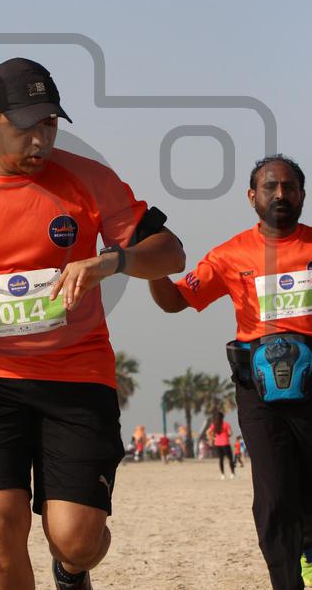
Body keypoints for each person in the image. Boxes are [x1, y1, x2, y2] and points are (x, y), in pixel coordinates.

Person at [0, 57, 185, 590]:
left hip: (78, 374)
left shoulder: (90, 179)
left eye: (50, 123)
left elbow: (171, 252)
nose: (41, 140)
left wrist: (113, 261)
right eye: (25, 126)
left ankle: (71, 570)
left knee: (77, 540)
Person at [149, 155, 312, 590]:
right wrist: (152, 266)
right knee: (274, 497)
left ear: (302, 194)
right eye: (270, 187)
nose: (280, 194)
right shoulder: (229, 255)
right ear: (252, 196)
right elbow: (176, 301)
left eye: (289, 186)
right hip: (260, 397)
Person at [206, 410, 235, 479]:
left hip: (217, 444)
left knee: (221, 459)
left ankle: (222, 475)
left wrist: (213, 438)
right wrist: (227, 435)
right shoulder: (226, 424)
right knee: (230, 459)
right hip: (225, 443)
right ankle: (232, 474)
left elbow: (207, 432)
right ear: (222, 417)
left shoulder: (214, 425)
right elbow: (230, 433)